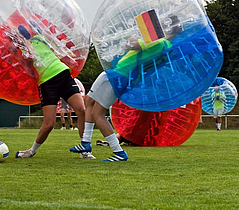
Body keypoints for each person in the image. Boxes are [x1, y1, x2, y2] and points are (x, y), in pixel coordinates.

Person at [70, 15, 181, 161]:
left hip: (119, 75)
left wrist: (133, 38)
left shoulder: (159, 42)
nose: (160, 25)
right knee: (89, 101)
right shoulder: (167, 47)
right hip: (122, 75)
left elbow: (130, 44)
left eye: (163, 23)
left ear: (168, 27)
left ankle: (118, 151)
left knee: (98, 114)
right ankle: (85, 142)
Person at [15, 24, 88, 158]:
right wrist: (25, 40)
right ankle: (31, 151)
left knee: (81, 110)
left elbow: (55, 43)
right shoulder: (22, 50)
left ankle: (85, 149)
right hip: (47, 83)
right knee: (49, 124)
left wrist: (41, 30)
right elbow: (32, 56)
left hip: (63, 73)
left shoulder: (39, 38)